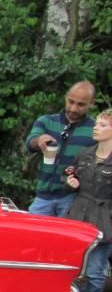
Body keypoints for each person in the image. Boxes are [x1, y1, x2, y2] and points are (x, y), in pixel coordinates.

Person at [25, 81, 96, 216]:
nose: (74, 108)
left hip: (73, 198)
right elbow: (29, 143)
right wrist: (38, 141)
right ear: (66, 97)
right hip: (42, 196)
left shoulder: (95, 129)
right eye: (71, 102)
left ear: (91, 104)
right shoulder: (46, 121)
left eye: (81, 104)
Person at [66, 108, 112, 292]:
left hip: (104, 217)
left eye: (102, 125)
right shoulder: (85, 154)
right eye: (96, 124)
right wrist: (70, 181)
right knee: (73, 263)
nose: (96, 128)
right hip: (79, 213)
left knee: (95, 269)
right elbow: (70, 175)